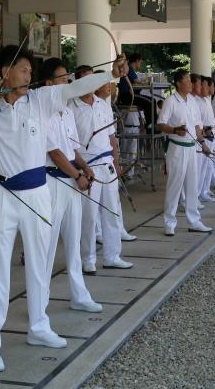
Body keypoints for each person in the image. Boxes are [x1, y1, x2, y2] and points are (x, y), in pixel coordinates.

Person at [0, 45, 128, 373]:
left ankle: (39, 327)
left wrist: (110, 74)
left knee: (40, 263)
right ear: (5, 72)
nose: (28, 74)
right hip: (5, 195)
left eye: (29, 70)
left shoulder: (41, 100)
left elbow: (74, 87)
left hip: (38, 192)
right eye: (22, 69)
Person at [42, 58, 102, 313]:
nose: (68, 81)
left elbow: (71, 148)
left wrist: (85, 168)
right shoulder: (42, 111)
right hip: (53, 181)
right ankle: (40, 301)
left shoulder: (66, 110)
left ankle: (79, 295)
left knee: (73, 240)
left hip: (71, 179)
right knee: (48, 243)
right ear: (48, 84)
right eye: (62, 77)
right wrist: (77, 175)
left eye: (68, 77)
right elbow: (55, 153)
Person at [70, 66, 134, 275]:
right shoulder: (71, 106)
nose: (90, 85)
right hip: (87, 167)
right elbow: (69, 145)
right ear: (77, 83)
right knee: (89, 216)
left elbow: (111, 137)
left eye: (93, 80)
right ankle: (88, 258)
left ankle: (112, 256)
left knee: (112, 210)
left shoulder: (102, 104)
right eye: (85, 81)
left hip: (107, 163)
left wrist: (117, 162)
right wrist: (81, 169)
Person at [156, 70, 211, 236]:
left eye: (190, 80)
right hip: (177, 147)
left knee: (192, 186)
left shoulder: (192, 101)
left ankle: (194, 221)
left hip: (192, 147)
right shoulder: (171, 101)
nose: (190, 83)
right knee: (175, 185)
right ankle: (169, 222)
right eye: (187, 80)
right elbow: (160, 124)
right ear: (179, 83)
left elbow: (196, 126)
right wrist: (173, 129)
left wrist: (203, 143)